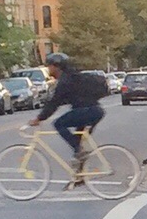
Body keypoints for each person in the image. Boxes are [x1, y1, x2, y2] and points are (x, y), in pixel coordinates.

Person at [34, 52, 105, 187]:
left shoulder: (65, 81)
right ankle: (79, 176)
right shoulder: (73, 77)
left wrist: (39, 118)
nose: (48, 69)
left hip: (87, 111)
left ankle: (79, 153)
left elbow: (54, 103)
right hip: (94, 111)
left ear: (56, 66)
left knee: (59, 124)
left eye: (49, 66)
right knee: (77, 145)